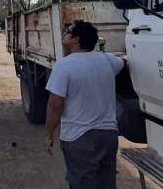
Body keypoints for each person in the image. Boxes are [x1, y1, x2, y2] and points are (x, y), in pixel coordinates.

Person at [44, 20, 125, 189]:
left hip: (79, 138)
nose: (64, 33)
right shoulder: (108, 61)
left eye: (68, 31)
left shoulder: (63, 66)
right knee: (106, 183)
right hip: (108, 135)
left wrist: (49, 134)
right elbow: (122, 63)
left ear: (76, 39)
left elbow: (55, 105)